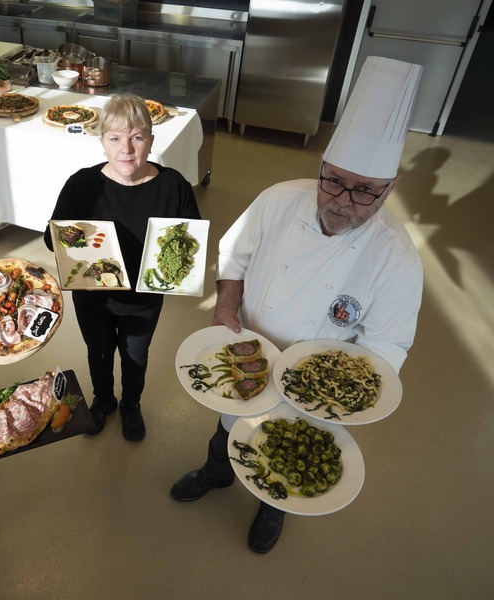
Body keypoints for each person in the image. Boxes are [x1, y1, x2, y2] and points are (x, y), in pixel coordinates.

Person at [170, 57, 424, 553]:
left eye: (366, 191)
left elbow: (388, 344)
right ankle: (216, 472)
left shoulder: (397, 260)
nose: (343, 201)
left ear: (389, 189)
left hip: (314, 389)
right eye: (333, 180)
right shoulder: (278, 200)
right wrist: (225, 309)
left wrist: (329, 388)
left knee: (285, 450)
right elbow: (234, 254)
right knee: (227, 429)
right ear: (322, 167)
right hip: (249, 354)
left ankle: (273, 509)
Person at [44, 94, 201, 441]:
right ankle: (104, 400)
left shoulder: (173, 185)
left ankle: (132, 403)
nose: (126, 149)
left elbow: (191, 241)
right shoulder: (82, 185)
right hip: (94, 297)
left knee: (135, 356)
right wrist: (82, 241)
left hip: (144, 299)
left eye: (136, 137)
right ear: (102, 142)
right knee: (98, 352)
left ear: (150, 141)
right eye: (114, 138)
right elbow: (50, 238)